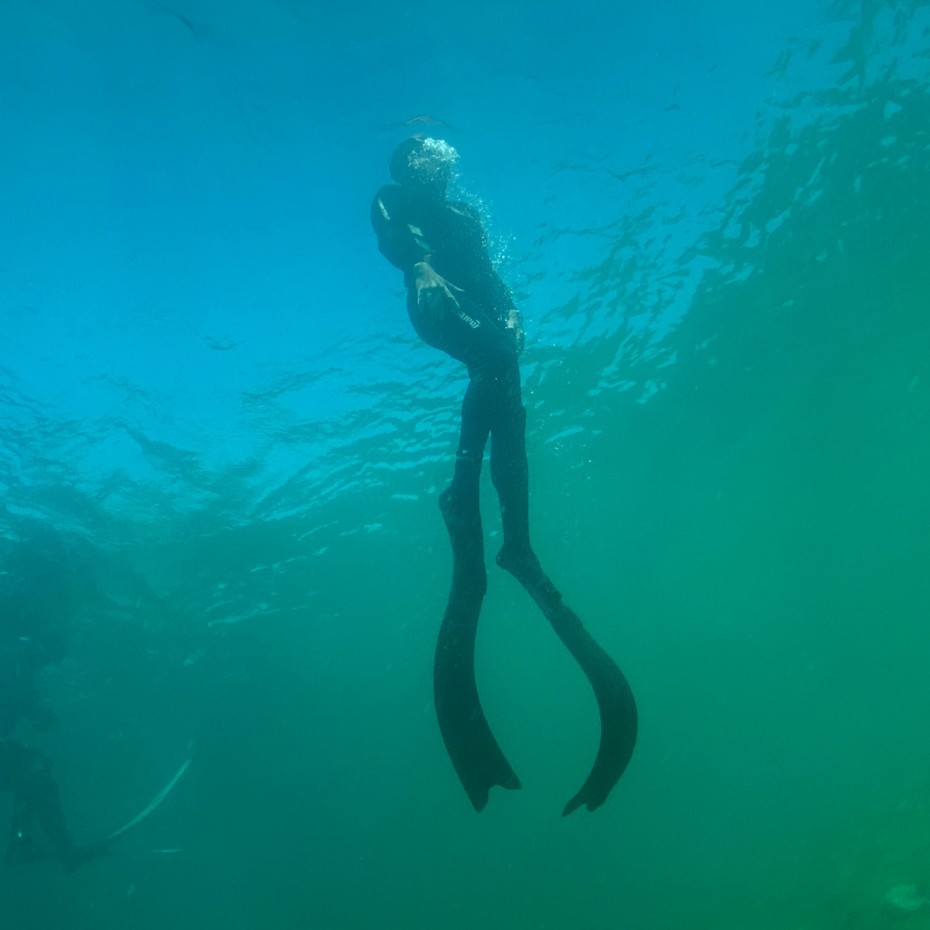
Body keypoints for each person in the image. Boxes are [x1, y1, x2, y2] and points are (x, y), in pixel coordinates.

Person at [371, 137, 638, 815]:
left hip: (484, 308)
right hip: (434, 301)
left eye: (440, 154)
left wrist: (514, 307)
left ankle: (507, 535)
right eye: (425, 154)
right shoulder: (395, 198)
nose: (439, 160)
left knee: (508, 392)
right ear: (408, 164)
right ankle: (474, 508)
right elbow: (389, 232)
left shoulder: (465, 212)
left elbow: (490, 272)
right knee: (493, 361)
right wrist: (423, 269)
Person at [0, 532, 105, 870]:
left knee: (32, 769)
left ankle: (22, 844)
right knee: (33, 769)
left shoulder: (21, 642)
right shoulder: (19, 628)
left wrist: (33, 709)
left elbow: (17, 681)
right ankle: (40, 848)